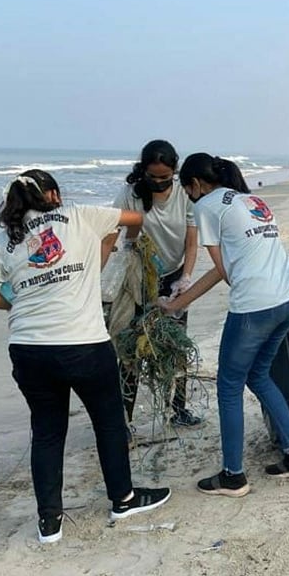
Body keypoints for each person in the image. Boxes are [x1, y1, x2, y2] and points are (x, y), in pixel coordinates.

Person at [0, 170, 172, 544]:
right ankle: (123, 500)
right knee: (108, 422)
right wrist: (109, 242)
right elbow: (135, 218)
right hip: (83, 344)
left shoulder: (5, 241)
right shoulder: (81, 216)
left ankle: (49, 522)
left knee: (47, 433)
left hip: (28, 349)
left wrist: (19, 304)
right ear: (52, 194)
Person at [161, 153, 289, 496]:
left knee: (229, 385)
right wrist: (177, 305)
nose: (188, 195)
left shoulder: (206, 207)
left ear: (196, 184)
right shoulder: (251, 199)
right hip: (288, 298)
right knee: (259, 375)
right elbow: (232, 265)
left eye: (187, 189)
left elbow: (224, 271)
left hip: (255, 307)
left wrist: (175, 302)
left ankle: (233, 475)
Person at [104, 139, 201, 428]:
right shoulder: (129, 195)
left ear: (174, 171)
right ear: (142, 170)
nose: (159, 183)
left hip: (174, 276)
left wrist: (185, 278)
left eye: (165, 177)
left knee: (176, 345)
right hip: (138, 279)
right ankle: (125, 419)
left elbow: (191, 242)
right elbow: (112, 233)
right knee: (132, 348)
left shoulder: (185, 196)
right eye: (152, 177)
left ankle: (180, 409)